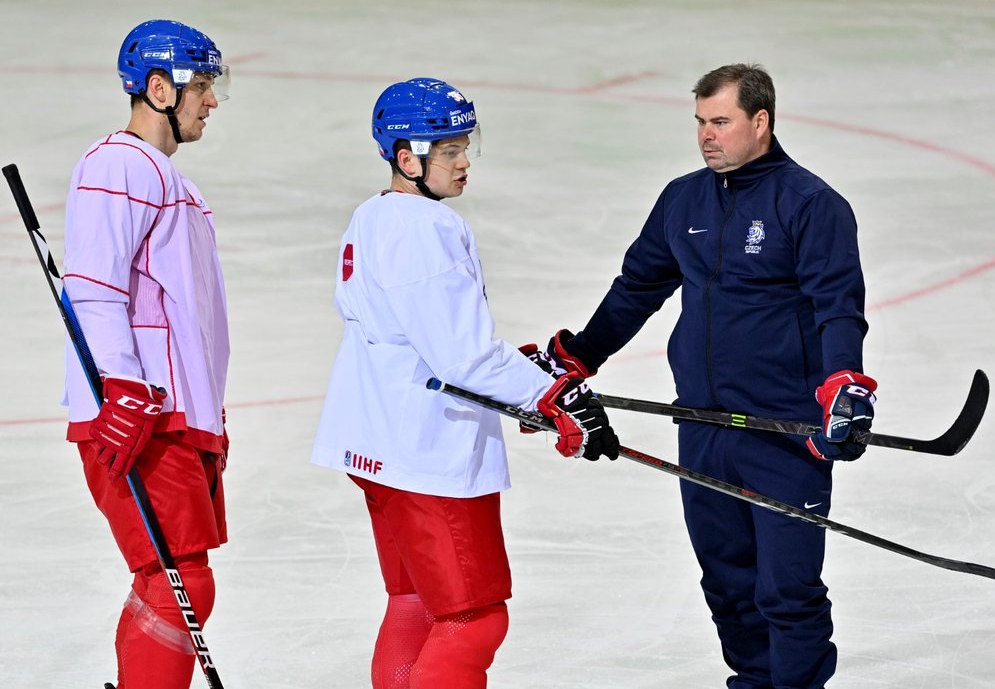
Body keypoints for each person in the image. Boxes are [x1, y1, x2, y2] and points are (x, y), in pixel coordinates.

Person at [544, 63, 877, 689]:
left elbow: (838, 306)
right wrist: (582, 355)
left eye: (720, 122)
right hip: (700, 422)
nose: (707, 136)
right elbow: (637, 287)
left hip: (783, 430)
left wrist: (844, 383)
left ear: (761, 121)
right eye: (700, 122)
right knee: (727, 581)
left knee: (788, 588)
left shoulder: (811, 205)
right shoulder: (683, 198)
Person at [310, 77, 619, 689]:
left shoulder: (372, 216)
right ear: (408, 158)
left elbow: (421, 336)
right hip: (428, 455)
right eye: (449, 150)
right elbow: (463, 358)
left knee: (416, 603)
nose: (463, 160)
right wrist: (546, 395)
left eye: (464, 146)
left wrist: (528, 377)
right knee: (473, 618)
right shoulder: (425, 228)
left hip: (379, 446)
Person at [62, 19, 232, 689]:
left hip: (171, 414)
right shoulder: (119, 165)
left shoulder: (162, 177)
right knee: (176, 579)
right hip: (142, 412)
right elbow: (93, 285)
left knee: (177, 578)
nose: (211, 102)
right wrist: (123, 387)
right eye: (203, 87)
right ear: (160, 88)